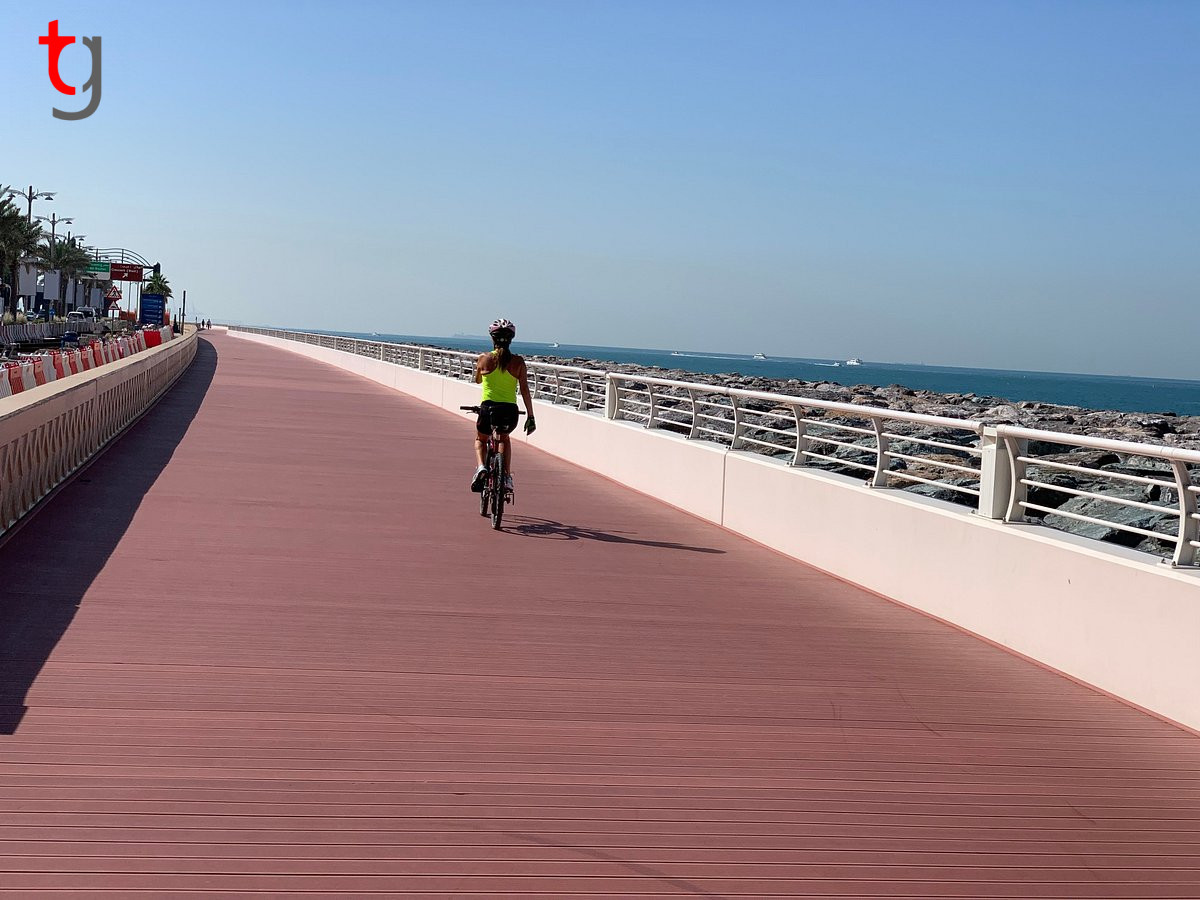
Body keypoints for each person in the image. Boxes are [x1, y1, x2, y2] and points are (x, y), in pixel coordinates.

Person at [470, 318, 536, 492]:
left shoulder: (483, 359)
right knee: (504, 439)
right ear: (511, 339)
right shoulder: (518, 362)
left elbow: (477, 380)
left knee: (480, 440)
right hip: (509, 411)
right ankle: (506, 477)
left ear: (492, 338)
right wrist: (530, 416)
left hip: (488, 409)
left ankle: (481, 467)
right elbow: (525, 390)